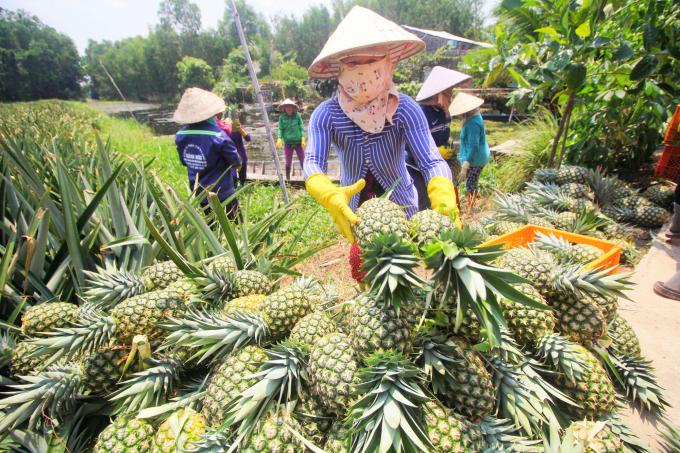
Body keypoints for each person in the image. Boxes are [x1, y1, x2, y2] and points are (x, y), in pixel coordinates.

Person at [303, 6, 461, 252]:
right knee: (365, 268)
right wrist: (327, 193)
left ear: (388, 63)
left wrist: (443, 197)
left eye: (372, 61)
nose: (364, 70)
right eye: (354, 63)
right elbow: (313, 161)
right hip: (355, 209)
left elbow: (430, 160)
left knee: (405, 268)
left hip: (403, 204)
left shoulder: (404, 108)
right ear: (340, 68)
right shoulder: (326, 114)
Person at [405, 66, 471, 211]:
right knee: (423, 201)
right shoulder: (421, 112)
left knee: (441, 199)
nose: (452, 95)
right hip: (416, 167)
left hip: (436, 163)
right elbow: (407, 144)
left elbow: (444, 136)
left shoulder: (444, 111)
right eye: (450, 91)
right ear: (440, 93)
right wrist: (434, 150)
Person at [173, 87, 242, 220]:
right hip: (222, 191)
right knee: (233, 224)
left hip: (199, 192)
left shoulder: (180, 135)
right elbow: (235, 161)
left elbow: (184, 161)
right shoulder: (218, 135)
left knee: (211, 224)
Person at [451, 92, 490, 212]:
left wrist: (466, 165)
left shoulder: (473, 123)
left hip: (475, 159)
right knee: (462, 182)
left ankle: (468, 209)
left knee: (467, 183)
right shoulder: (472, 118)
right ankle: (462, 207)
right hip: (471, 157)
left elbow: (474, 146)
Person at [217, 113, 251, 188]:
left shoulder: (238, 127)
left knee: (243, 177)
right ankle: (234, 189)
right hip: (230, 155)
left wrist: (241, 130)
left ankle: (243, 188)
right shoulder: (224, 129)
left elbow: (248, 139)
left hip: (241, 154)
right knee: (233, 178)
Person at [276, 99, 306, 180]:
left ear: (293, 108)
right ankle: (288, 180)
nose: (289, 109)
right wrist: (279, 138)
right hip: (288, 143)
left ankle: (306, 177)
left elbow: (301, 128)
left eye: (290, 107)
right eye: (287, 107)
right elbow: (280, 129)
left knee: (303, 160)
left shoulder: (298, 117)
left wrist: (303, 137)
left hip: (298, 143)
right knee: (288, 162)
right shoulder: (282, 118)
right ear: (284, 108)